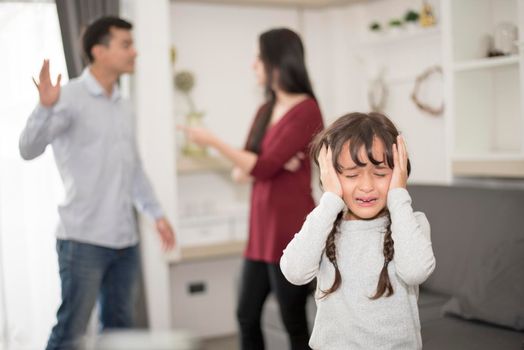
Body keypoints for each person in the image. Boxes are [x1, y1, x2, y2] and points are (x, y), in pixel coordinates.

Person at [19, 16, 176, 350]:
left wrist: (157, 214)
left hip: (125, 241)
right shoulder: (69, 96)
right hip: (82, 240)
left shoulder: (123, 104)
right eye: (126, 45)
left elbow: (133, 169)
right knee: (70, 332)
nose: (134, 52)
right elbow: (27, 149)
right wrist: (44, 108)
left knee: (121, 332)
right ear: (99, 51)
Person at [179, 28, 323, 350]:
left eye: (258, 57)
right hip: (260, 232)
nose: (253, 65)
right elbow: (242, 171)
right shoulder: (264, 110)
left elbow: (258, 166)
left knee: (293, 321)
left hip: (289, 230)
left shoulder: (308, 110)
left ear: (277, 61)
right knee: (246, 314)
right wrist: (264, 164)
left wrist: (214, 142)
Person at [280, 112, 436, 349]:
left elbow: (415, 271)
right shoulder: (323, 225)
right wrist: (330, 199)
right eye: (352, 175)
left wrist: (398, 196)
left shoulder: (411, 223)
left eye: (381, 174)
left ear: (399, 174)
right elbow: (295, 272)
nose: (367, 186)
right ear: (330, 176)